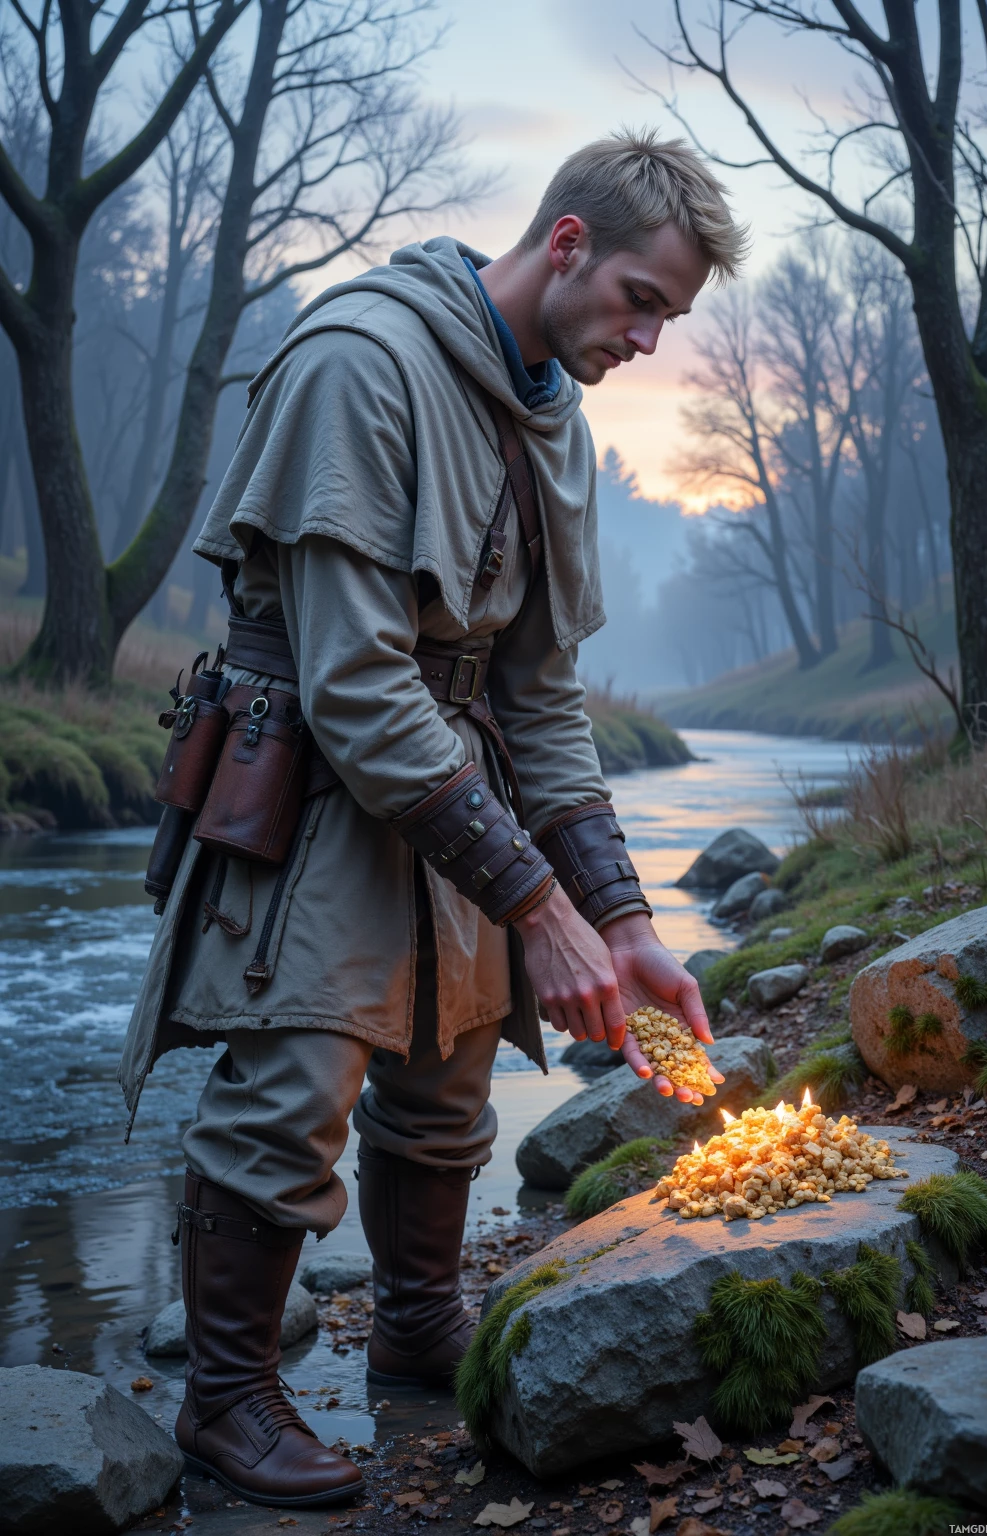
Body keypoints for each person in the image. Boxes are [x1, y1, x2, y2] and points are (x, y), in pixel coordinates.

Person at [119, 127, 747, 1509]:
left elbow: (542, 699)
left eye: (673, 318)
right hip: (318, 781)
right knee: (292, 1092)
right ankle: (224, 1401)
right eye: (644, 299)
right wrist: (537, 907)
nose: (649, 339)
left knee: (450, 1078)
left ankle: (413, 1328)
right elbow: (351, 680)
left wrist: (622, 923)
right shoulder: (363, 360)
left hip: (453, 774)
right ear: (567, 242)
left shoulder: (557, 418)